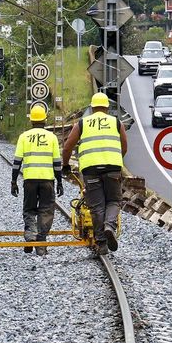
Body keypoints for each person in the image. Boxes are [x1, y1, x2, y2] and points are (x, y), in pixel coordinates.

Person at [61, 92, 127, 255]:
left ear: (91, 108)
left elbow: (67, 147)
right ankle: (109, 226)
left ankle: (101, 243)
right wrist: (116, 160)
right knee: (113, 201)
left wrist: (66, 165)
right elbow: (124, 147)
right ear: (107, 108)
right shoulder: (116, 122)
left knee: (96, 206)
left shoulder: (82, 123)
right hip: (112, 168)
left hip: (90, 170)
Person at [11, 105, 64, 256]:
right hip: (47, 180)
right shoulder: (52, 137)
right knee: (46, 210)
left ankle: (30, 235)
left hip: (30, 180)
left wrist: (13, 181)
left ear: (31, 120)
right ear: (45, 120)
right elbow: (57, 163)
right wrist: (59, 182)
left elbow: (17, 162)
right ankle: (41, 243)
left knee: (29, 209)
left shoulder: (24, 137)